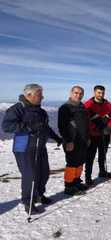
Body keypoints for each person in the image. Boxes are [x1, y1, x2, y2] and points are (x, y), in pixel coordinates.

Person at [2, 84, 62, 214]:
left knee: (44, 173)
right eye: (40, 95)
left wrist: (57, 138)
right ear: (29, 95)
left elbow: (45, 128)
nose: (42, 97)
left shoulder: (41, 111)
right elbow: (7, 126)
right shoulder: (17, 109)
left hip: (40, 145)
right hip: (23, 146)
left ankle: (39, 195)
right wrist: (28, 127)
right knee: (30, 175)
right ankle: (28, 201)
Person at [58, 86, 90, 195]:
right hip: (71, 141)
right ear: (71, 93)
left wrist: (88, 138)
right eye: (76, 93)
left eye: (81, 93)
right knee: (72, 163)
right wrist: (68, 141)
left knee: (80, 162)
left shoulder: (82, 107)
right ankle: (69, 186)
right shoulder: (65, 108)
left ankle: (76, 182)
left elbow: (86, 125)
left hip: (83, 140)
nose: (78, 95)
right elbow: (62, 126)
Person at [84, 85, 111, 185]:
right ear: (94, 92)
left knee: (103, 154)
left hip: (104, 133)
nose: (101, 95)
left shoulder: (107, 104)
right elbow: (84, 119)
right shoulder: (88, 104)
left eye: (102, 93)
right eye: (99, 92)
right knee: (90, 157)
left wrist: (109, 127)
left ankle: (102, 172)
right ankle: (88, 177)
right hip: (92, 134)